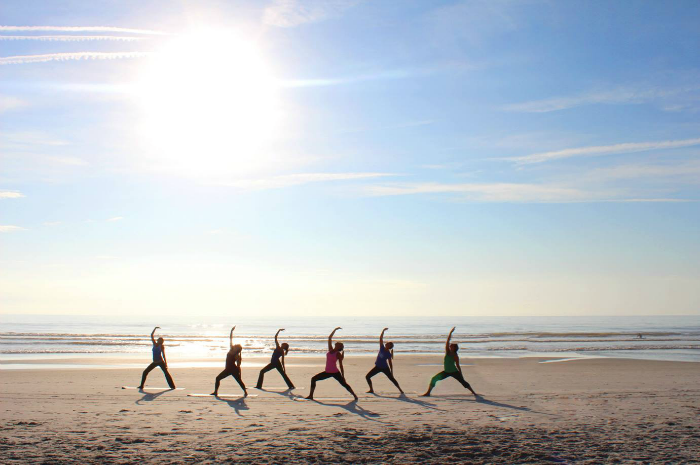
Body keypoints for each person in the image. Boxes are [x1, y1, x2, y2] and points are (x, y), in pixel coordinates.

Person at [422, 327, 477, 397]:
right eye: (450, 345)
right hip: (446, 372)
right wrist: (450, 333)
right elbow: (447, 341)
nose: (450, 345)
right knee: (434, 379)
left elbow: (457, 365)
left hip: (454, 372)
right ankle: (428, 393)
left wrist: (461, 374)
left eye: (452, 345)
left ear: (454, 348)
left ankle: (474, 393)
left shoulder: (455, 356)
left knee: (463, 382)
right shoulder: (448, 352)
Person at [306, 327, 358, 401]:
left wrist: (343, 376)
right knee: (313, 379)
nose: (337, 342)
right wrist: (335, 330)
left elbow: (341, 365)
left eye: (339, 344)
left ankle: (354, 395)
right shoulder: (330, 350)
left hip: (335, 372)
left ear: (339, 347)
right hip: (327, 372)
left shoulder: (338, 354)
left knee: (344, 384)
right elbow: (329, 338)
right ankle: (311, 395)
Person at [365, 328, 404, 394]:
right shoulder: (382, 347)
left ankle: (400, 390)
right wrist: (383, 331)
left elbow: (390, 363)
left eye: (388, 344)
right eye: (388, 343)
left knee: (392, 379)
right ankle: (371, 389)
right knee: (367, 376)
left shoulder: (388, 354)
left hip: (385, 368)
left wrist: (391, 371)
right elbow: (381, 339)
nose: (387, 343)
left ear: (389, 347)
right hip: (377, 367)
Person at [211, 326, 247, 397]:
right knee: (218, 378)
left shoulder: (236, 355)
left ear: (237, 349)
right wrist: (231, 331)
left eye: (237, 345)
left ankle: (245, 392)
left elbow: (238, 365)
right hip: (228, 369)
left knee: (239, 381)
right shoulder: (231, 349)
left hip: (233, 370)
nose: (235, 344)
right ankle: (215, 392)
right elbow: (230, 339)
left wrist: (239, 363)